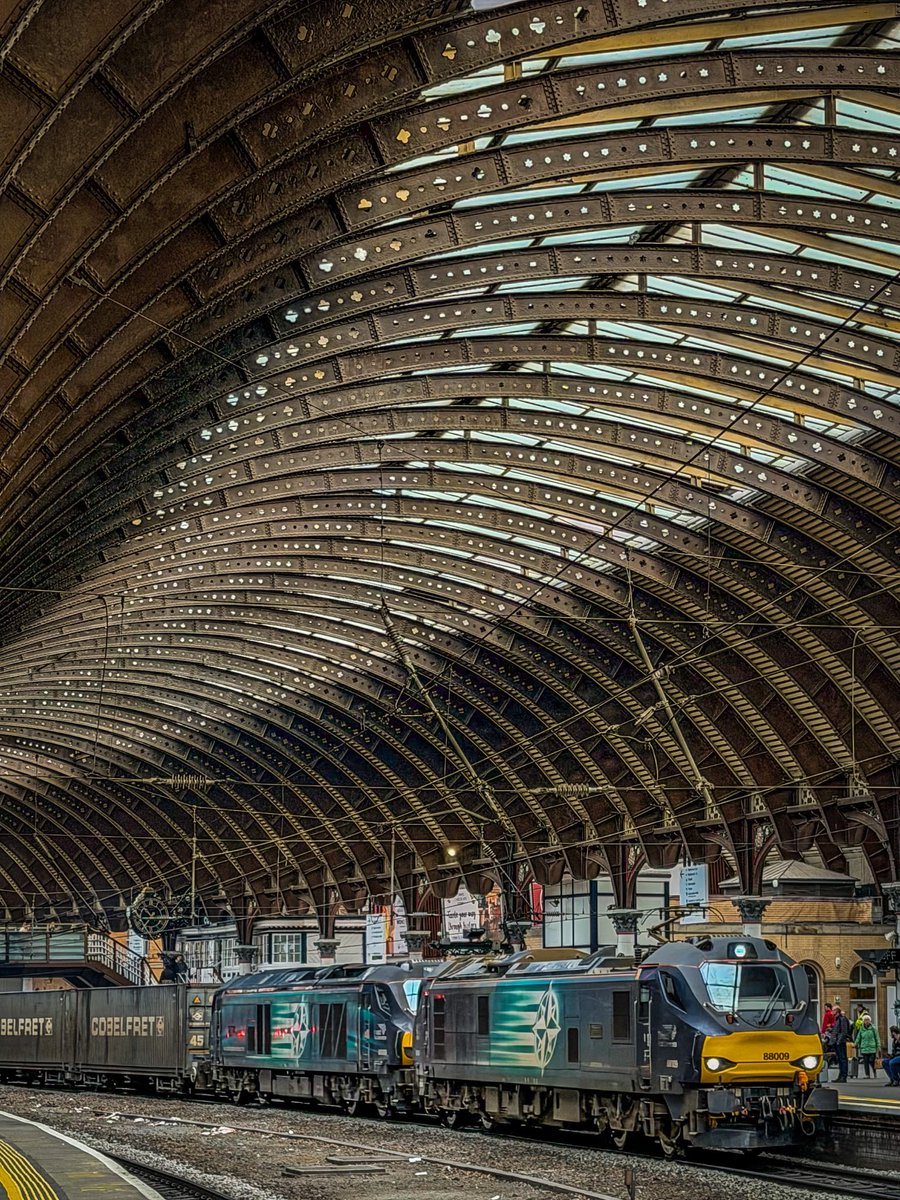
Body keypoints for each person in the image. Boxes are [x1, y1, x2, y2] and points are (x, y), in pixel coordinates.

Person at [855, 1013, 880, 1079]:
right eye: (865, 1020)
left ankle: (874, 1072)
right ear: (863, 1021)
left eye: (868, 1020)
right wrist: (856, 1043)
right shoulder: (861, 1029)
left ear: (870, 1021)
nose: (866, 1021)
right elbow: (858, 1037)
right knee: (865, 1062)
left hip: (872, 1047)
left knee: (871, 1061)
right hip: (864, 1047)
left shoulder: (873, 1028)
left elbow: (877, 1037)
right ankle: (867, 1074)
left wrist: (878, 1046)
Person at [830, 1004, 851, 1082]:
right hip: (837, 1042)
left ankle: (843, 1076)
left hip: (840, 1042)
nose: (832, 1012)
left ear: (837, 1011)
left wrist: (838, 1041)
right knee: (839, 1059)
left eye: (833, 1010)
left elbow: (844, 1031)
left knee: (842, 1059)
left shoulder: (842, 1019)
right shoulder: (837, 1019)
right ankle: (840, 1075)